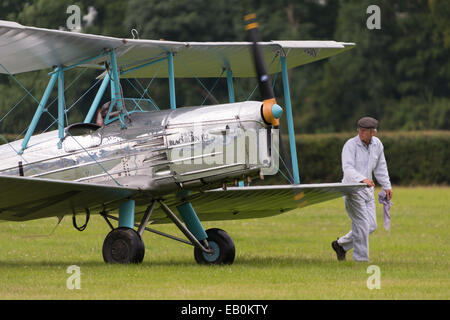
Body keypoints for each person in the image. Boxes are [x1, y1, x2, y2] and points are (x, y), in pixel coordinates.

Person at [332, 116, 393, 262]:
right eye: (359, 130)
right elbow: (347, 169)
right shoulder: (350, 145)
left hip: (368, 191)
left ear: (374, 132)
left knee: (371, 226)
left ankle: (341, 245)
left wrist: (386, 185)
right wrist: (362, 179)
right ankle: (361, 260)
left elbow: (380, 166)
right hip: (352, 189)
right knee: (362, 225)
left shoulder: (377, 144)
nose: (361, 133)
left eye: (365, 131)